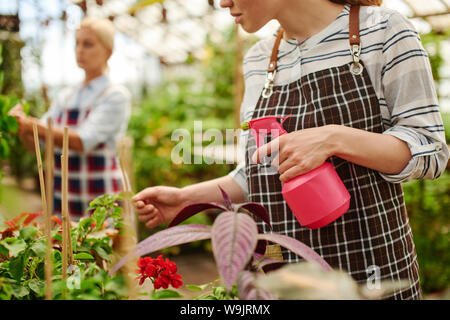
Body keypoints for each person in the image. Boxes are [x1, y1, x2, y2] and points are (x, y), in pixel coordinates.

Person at [132, 0, 449, 300]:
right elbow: (258, 173)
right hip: (282, 272)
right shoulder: (258, 60)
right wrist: (186, 200)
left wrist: (333, 139)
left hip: (369, 269)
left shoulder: (383, 31)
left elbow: (431, 150)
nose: (222, 3)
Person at [9, 17, 131, 221]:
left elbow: (82, 142)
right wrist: (23, 129)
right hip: (65, 198)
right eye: (77, 43)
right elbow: (36, 146)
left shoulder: (115, 95)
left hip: (100, 198)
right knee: (67, 248)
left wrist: (31, 124)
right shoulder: (66, 96)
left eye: (88, 44)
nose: (80, 50)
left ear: (108, 51)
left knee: (101, 248)